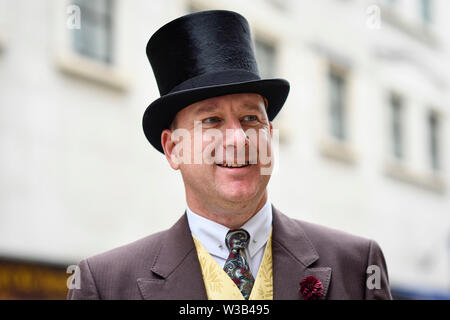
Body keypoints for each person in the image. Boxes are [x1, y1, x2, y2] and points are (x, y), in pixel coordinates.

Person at [67, 10, 392, 300]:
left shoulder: (357, 267)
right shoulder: (106, 286)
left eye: (251, 118)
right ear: (173, 148)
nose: (238, 138)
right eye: (212, 120)